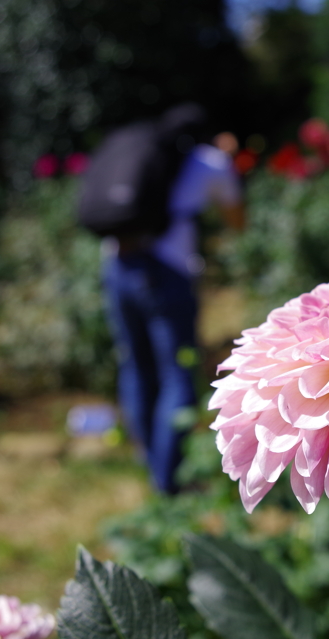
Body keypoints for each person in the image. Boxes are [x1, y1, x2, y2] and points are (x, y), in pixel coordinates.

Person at [102, 110, 244, 494]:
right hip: (167, 272)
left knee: (135, 367)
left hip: (116, 264)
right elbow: (236, 218)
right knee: (178, 374)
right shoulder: (209, 161)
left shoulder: (141, 153)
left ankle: (149, 460)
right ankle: (168, 480)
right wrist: (224, 161)